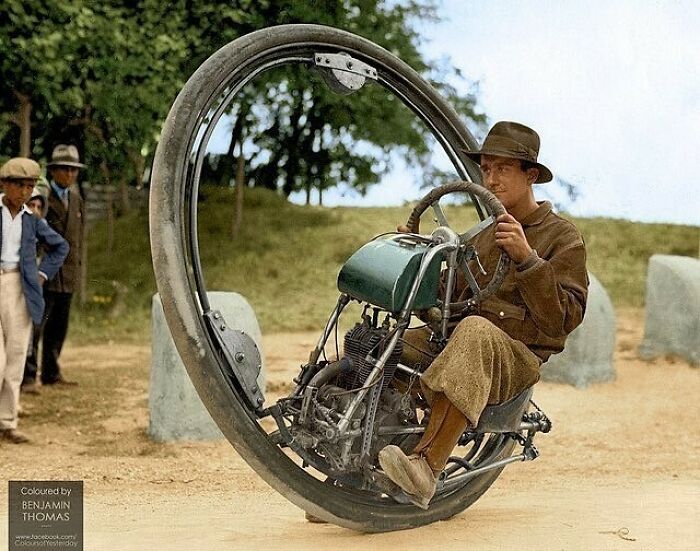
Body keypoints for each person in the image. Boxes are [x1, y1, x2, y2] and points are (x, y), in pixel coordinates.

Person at [378, 121, 589, 508]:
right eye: (486, 169)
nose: (490, 179)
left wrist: (528, 259)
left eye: (503, 169)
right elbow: (446, 302)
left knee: (476, 330)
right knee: (382, 345)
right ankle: (350, 477)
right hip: (460, 340)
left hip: (516, 357)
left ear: (531, 176)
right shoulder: (480, 236)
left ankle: (426, 466)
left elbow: (563, 321)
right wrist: (421, 258)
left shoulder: (562, 237)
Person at [0, 158, 68, 443]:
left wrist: (41, 274)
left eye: (29, 186)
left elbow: (61, 246)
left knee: (16, 355)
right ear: (4, 184)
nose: (25, 192)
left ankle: (7, 422)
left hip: (21, 287)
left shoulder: (32, 220)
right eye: (19, 185)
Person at [25, 145, 85, 387]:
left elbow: (79, 239)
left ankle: (51, 373)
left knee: (59, 328)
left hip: (68, 274)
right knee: (36, 327)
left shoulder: (76, 198)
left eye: (73, 170)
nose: (69, 175)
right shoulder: (41, 198)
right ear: (54, 170)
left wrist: (78, 269)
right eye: (64, 169)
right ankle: (28, 376)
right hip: (45, 274)